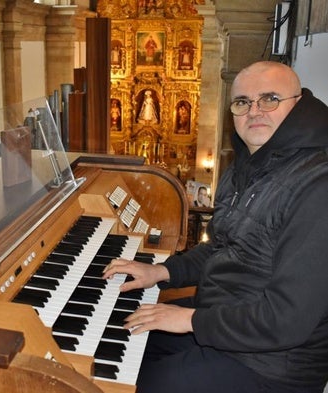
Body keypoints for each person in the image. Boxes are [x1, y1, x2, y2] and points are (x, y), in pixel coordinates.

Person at [102, 61, 328, 393]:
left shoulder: (316, 184)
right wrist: (162, 272)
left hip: (274, 363)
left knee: (132, 383)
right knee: (113, 338)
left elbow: (286, 320)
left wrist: (189, 321)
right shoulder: (245, 169)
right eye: (242, 102)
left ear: (298, 104)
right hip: (224, 316)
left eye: (269, 99)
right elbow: (224, 247)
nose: (254, 111)